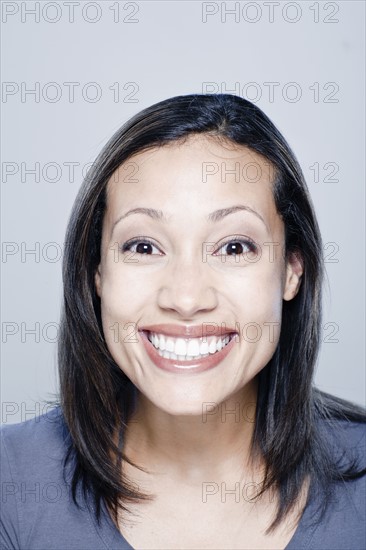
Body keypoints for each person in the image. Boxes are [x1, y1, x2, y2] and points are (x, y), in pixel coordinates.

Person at [1, 94, 365, 550]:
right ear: (97, 272)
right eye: (143, 247)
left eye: (234, 247)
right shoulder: (10, 485)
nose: (187, 298)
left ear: (292, 269)